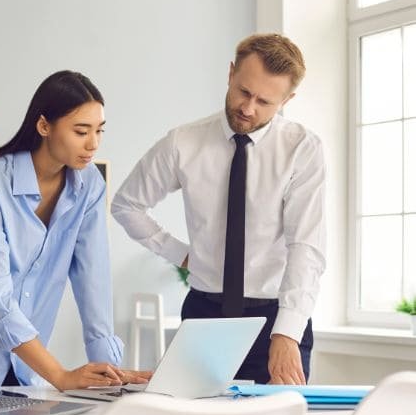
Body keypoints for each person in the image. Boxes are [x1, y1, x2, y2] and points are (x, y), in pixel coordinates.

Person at [0, 70, 151, 390]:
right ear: (44, 126)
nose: (93, 144)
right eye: (81, 131)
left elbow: (94, 278)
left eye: (99, 131)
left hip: (21, 365)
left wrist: (114, 376)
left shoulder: (88, 185)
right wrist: (60, 375)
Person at [111, 34, 325, 385]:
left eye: (265, 101)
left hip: (276, 316)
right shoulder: (183, 143)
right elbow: (126, 205)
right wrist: (181, 254)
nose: (248, 108)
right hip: (204, 315)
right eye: (243, 91)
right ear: (230, 73)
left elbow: (306, 247)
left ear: (288, 100)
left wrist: (287, 333)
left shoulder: (303, 149)